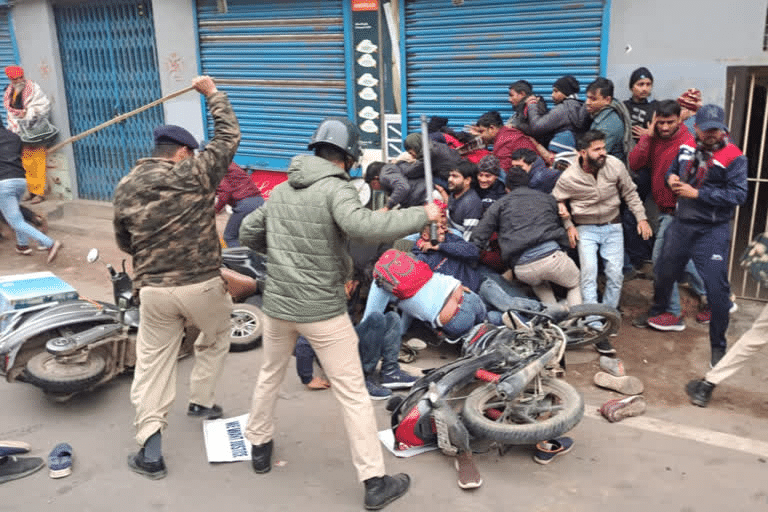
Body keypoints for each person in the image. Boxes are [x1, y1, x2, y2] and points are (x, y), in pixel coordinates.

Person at [238, 116, 441, 510]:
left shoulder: (281, 190)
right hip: (321, 310)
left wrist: (281, 261)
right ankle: (374, 481)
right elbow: (362, 227)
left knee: (269, 375)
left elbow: (248, 232)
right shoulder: (337, 189)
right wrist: (423, 215)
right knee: (353, 393)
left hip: (279, 306)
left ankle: (259, 448)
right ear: (348, 157)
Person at [113, 75, 240, 480]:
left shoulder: (126, 185)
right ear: (184, 151)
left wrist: (153, 260)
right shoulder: (196, 172)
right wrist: (212, 94)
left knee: (153, 365)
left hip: (153, 290)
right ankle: (202, 401)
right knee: (218, 334)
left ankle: (151, 451)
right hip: (203, 285)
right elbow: (229, 135)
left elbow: (123, 239)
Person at [646, 105, 747, 368]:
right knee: (664, 271)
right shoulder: (687, 147)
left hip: (712, 229)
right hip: (682, 224)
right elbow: (671, 170)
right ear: (697, 128)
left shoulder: (733, 156)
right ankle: (660, 311)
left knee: (716, 289)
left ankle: (718, 347)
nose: (712, 134)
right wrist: (671, 179)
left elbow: (738, 195)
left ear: (723, 128)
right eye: (707, 129)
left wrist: (698, 194)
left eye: (717, 129)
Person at [552, 130, 652, 354]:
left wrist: (641, 218)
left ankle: (609, 317)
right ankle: (594, 323)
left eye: (603, 148)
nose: (602, 153)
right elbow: (558, 201)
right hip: (585, 228)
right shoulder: (569, 177)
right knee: (589, 273)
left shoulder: (614, 165)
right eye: (597, 149)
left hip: (613, 225)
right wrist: (568, 226)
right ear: (582, 152)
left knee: (615, 273)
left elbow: (630, 192)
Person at [628, 100, 705, 327]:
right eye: (659, 123)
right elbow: (635, 162)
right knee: (684, 262)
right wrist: (648, 136)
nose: (664, 127)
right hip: (664, 211)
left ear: (679, 119)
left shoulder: (688, 143)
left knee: (662, 262)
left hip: (680, 213)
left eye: (669, 122)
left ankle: (670, 313)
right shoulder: (655, 139)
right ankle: (715, 297)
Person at [473, 166, 581, 308]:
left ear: (507, 188)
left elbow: (478, 236)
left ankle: (554, 316)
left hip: (523, 268)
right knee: (574, 283)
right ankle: (576, 322)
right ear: (528, 183)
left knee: (538, 283)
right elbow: (561, 220)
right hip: (553, 260)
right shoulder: (546, 198)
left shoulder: (498, 205)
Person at [0, 125, 61, 262]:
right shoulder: (14, 137)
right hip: (20, 180)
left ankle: (49, 243)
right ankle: (22, 245)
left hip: (3, 183)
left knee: (15, 221)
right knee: (16, 213)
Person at [3, 66, 53, 204]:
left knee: (38, 161)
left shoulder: (33, 89)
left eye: (20, 77)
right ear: (10, 79)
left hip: (34, 131)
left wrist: (28, 113)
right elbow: (11, 112)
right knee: (25, 163)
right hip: (19, 132)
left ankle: (39, 192)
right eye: (15, 79)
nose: (19, 80)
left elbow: (44, 106)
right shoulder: (9, 91)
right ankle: (31, 191)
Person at [526, 75, 589, 153]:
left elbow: (537, 127)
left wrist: (532, 105)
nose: (552, 95)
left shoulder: (562, 109)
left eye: (556, 91)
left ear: (565, 92)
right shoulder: (579, 106)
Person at [474, 111, 552, 171]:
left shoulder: (503, 141)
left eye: (482, 132)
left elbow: (503, 170)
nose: (481, 136)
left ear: (492, 128)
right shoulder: (508, 134)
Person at [215, 161, 263, 247]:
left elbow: (225, 191)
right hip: (259, 201)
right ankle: (255, 259)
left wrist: (216, 209)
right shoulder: (228, 163)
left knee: (230, 237)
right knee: (251, 238)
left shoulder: (216, 166)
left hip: (246, 204)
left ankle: (240, 260)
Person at [584, 77, 633, 162]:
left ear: (607, 100)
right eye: (587, 98)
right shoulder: (602, 115)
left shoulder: (607, 126)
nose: (587, 102)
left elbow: (594, 157)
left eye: (593, 99)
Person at [438, 159, 483, 241]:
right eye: (450, 175)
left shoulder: (471, 203)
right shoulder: (455, 193)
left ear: (467, 180)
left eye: (455, 176)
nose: (450, 179)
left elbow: (469, 240)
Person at [624, 67, 658, 142]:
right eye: (640, 84)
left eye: (648, 84)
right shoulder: (623, 107)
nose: (644, 89)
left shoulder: (657, 107)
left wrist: (651, 134)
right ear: (632, 87)